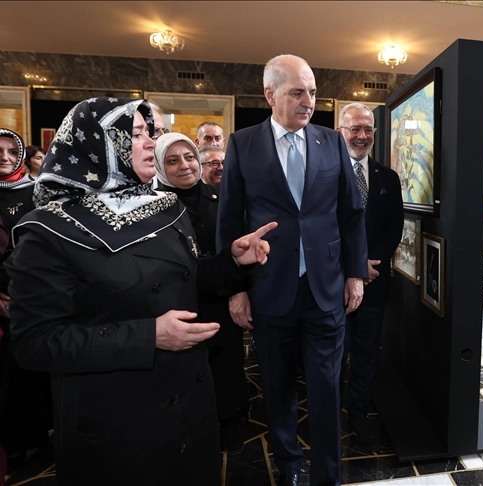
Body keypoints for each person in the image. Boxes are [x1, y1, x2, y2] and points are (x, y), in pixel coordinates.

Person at [5, 98, 276, 486]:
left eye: (150, 133)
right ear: (96, 145)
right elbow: (36, 342)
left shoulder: (166, 207)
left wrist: (232, 261)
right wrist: (148, 336)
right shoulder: (49, 230)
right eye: (135, 135)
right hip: (115, 416)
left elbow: (186, 279)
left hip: (187, 399)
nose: (151, 142)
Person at [217, 54, 368, 486]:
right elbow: (229, 222)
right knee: (277, 386)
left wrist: (355, 274)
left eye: (313, 93)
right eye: (297, 92)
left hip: (326, 289)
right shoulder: (243, 144)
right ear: (270, 94)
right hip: (269, 287)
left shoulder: (331, 141)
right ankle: (288, 467)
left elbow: (351, 214)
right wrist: (235, 289)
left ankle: (327, 476)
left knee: (326, 389)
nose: (308, 102)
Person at [154, 132, 249, 454]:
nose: (184, 165)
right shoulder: (150, 206)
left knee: (226, 363)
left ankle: (232, 419)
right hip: (174, 304)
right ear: (159, 165)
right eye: (172, 160)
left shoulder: (220, 199)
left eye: (190, 157)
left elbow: (237, 248)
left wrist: (239, 291)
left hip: (219, 298)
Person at [336, 103, 403, 450]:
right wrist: (353, 265)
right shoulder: (325, 174)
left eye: (368, 130)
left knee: (366, 353)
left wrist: (369, 266)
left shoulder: (387, 178)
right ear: (341, 132)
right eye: (355, 129)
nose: (362, 136)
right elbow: (320, 228)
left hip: (374, 285)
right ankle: (330, 416)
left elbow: (395, 227)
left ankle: (359, 415)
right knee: (333, 354)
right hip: (333, 285)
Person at [0, 129, 53, 475]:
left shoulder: (38, 192)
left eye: (10, 150)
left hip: (33, 298)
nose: (4, 157)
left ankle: (38, 443)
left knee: (32, 375)